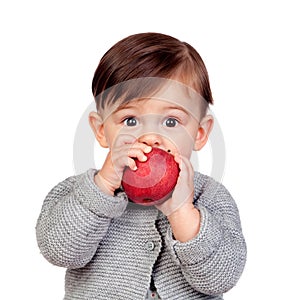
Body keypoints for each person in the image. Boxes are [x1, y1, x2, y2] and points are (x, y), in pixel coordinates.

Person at [36, 32, 246, 300]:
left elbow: (221, 279)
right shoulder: (81, 193)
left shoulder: (211, 197)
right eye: (130, 120)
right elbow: (59, 251)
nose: (150, 137)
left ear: (200, 134)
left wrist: (183, 212)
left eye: (171, 122)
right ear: (101, 131)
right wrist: (102, 187)